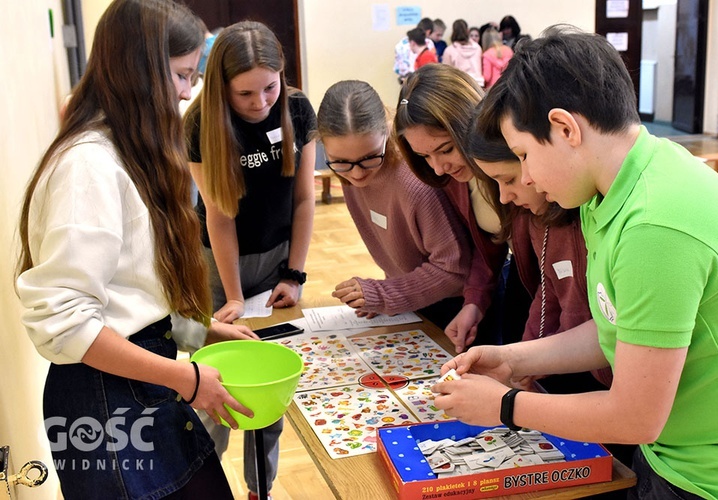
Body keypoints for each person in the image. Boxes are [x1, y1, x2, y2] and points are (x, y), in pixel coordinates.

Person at [433, 26, 718, 500]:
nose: (530, 179)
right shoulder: (617, 188)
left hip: (716, 477)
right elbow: (621, 330)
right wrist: (514, 358)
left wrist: (506, 406)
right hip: (674, 454)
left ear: (565, 129)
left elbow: (636, 416)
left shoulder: (654, 224)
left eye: (524, 155)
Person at [15, 1, 256, 498]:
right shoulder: (88, 166)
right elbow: (68, 323)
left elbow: (131, 296)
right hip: (104, 398)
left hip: (140, 382)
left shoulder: (127, 150)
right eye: (182, 75)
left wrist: (201, 329)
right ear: (141, 69)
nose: (189, 92)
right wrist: (187, 380)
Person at [184, 20, 317, 500]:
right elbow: (219, 219)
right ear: (221, 86)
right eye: (245, 94)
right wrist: (235, 295)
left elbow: (304, 201)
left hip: (278, 258)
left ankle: (260, 489)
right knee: (215, 389)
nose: (260, 103)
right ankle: (201, 486)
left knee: (268, 385)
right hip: (219, 266)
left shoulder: (298, 109)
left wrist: (295, 273)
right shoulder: (200, 122)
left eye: (269, 87)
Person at [465, 123, 613, 395]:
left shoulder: (602, 219)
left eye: (509, 180)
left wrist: (522, 361)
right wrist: (521, 357)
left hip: (610, 379)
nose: (503, 196)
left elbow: (612, 331)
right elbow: (550, 295)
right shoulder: (540, 221)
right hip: (584, 367)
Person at [317, 80, 472, 329]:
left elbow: (455, 269)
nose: (356, 174)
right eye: (340, 161)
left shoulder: (415, 182)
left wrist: (387, 293)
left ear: (387, 132)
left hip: (457, 308)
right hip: (416, 301)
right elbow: (401, 249)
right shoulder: (352, 174)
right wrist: (384, 295)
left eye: (369, 157)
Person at [395, 64, 517, 354]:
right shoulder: (453, 178)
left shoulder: (513, 161)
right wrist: (473, 302)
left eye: (446, 149)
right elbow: (487, 246)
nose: (438, 168)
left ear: (469, 124)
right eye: (424, 156)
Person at [442, 19, 484, 88]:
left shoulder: (449, 50)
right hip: (478, 85)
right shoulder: (477, 48)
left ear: (453, 32)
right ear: (467, 31)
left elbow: (446, 73)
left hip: (460, 86)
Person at [394, 17, 435, 84]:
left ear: (412, 43)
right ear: (428, 31)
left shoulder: (426, 56)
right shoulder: (426, 50)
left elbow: (428, 79)